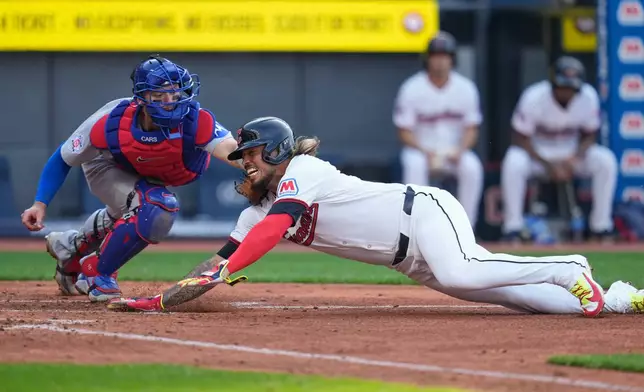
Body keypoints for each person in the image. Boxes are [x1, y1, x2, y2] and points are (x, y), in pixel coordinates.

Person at [107, 116, 644, 316]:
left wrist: (224, 270)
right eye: (241, 158)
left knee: (464, 270)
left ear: (274, 152)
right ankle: (618, 297)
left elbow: (277, 228)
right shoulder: (256, 211)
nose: (243, 164)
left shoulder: (303, 169)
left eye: (248, 155)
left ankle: (565, 266)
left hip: (423, 214)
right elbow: (219, 259)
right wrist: (162, 298)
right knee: (519, 299)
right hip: (411, 261)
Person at [20, 55, 241, 302]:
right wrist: (40, 203)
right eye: (159, 96)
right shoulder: (111, 120)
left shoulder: (195, 120)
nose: (170, 102)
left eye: (176, 94)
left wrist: (265, 166)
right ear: (142, 97)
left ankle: (70, 247)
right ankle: (97, 273)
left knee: (137, 210)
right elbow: (63, 157)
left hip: (140, 174)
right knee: (157, 207)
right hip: (105, 165)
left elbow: (231, 150)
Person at [500, 56, 618, 243]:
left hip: (571, 155)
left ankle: (601, 226)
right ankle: (513, 227)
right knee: (513, 161)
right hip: (539, 155)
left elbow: (590, 135)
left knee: (605, 160)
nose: (567, 91)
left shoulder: (588, 96)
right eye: (563, 86)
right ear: (553, 83)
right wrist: (548, 165)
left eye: (571, 87)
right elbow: (520, 138)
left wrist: (575, 157)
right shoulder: (534, 97)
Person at [393, 31, 483, 228]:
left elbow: (471, 128)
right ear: (428, 59)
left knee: (472, 166)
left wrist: (461, 150)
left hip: (454, 150)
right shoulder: (412, 88)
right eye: (435, 56)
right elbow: (403, 131)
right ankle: (416, 227)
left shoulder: (465, 88)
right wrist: (424, 151)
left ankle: (467, 227)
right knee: (414, 164)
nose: (440, 61)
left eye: (445, 56)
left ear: (452, 59)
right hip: (421, 149)